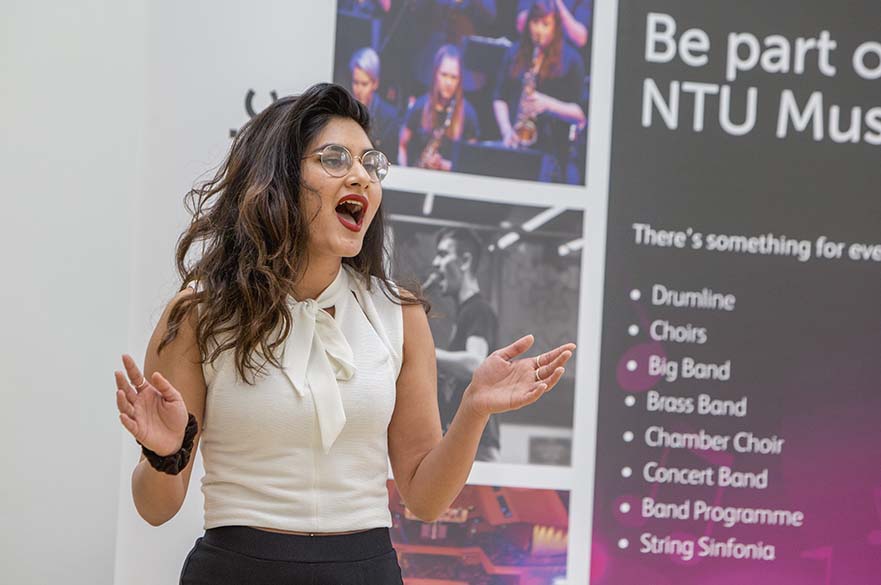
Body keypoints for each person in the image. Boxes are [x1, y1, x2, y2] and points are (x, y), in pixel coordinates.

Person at [113, 83, 574, 584]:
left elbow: (424, 499)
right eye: (335, 159)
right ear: (280, 179)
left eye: (370, 164)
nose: (361, 176)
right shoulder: (201, 314)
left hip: (365, 570)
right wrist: (164, 454)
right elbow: (156, 509)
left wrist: (473, 409)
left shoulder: (400, 315)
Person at [493, 0, 586, 183]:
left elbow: (581, 114)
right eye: (534, 23)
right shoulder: (515, 53)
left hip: (553, 152)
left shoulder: (571, 60)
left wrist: (547, 104)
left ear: (556, 27)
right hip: (516, 147)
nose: (538, 31)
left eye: (545, 25)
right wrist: (506, 131)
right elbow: (499, 97)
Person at [430, 228, 501, 462]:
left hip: (478, 448)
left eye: (442, 254)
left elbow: (475, 364)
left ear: (465, 261)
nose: (435, 262)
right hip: (468, 443)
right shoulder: (465, 313)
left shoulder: (479, 310)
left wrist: (425, 353)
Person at [399, 44, 480, 171]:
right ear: (435, 73)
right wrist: (405, 174)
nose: (448, 83)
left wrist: (445, 165)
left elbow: (473, 160)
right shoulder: (419, 107)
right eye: (444, 75)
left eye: (454, 77)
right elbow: (402, 145)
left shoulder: (468, 114)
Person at [349, 47, 401, 163]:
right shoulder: (345, 110)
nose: (358, 89)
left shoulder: (389, 117)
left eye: (364, 84)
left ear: (375, 84)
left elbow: (390, 160)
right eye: (355, 82)